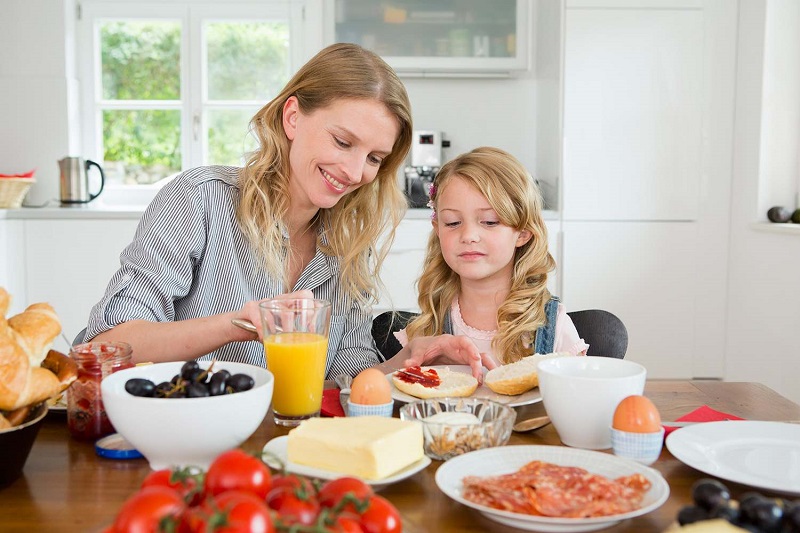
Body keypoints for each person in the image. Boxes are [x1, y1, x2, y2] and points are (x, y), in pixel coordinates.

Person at [83, 43, 428, 379]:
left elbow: (348, 373)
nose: (355, 173)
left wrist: (404, 363)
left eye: (374, 159)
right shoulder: (199, 201)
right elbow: (107, 346)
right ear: (292, 118)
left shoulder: (348, 242)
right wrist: (239, 323)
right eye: (342, 142)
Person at [394, 146, 588, 369]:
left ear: (523, 233)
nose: (468, 236)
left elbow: (578, 396)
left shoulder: (554, 326)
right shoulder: (425, 328)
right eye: (453, 223)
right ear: (437, 228)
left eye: (489, 222)